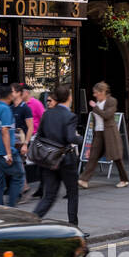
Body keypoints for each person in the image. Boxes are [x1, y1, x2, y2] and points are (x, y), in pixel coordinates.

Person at [34, 85, 81, 225]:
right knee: (72, 194)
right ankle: (73, 226)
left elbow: (40, 134)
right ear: (68, 98)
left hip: (49, 159)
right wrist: (83, 138)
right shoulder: (70, 116)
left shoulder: (47, 114)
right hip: (66, 160)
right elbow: (70, 138)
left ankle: (31, 221)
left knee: (48, 196)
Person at [78, 82, 129, 188]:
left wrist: (95, 107)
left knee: (116, 157)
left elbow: (107, 115)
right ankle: (84, 180)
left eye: (96, 93)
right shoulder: (98, 102)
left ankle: (124, 179)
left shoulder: (112, 101)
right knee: (93, 156)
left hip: (109, 133)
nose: (94, 95)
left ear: (103, 92)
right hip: (98, 133)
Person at [0, 90, 24, 206]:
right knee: (18, 176)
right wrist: (9, 153)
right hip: (3, 150)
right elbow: (4, 131)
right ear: (10, 96)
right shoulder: (5, 109)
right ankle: (12, 206)